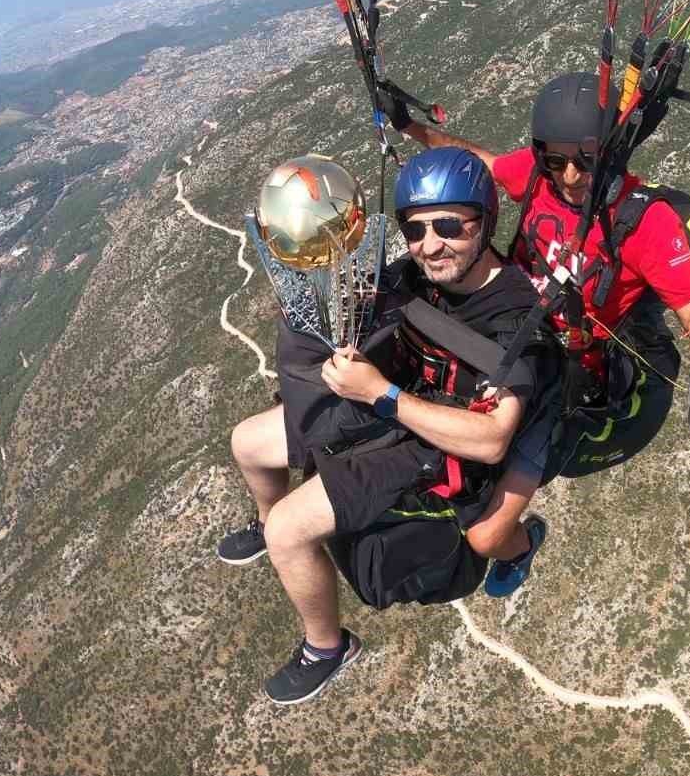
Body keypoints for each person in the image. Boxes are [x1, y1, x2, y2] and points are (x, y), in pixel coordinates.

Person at [216, 148, 557, 704]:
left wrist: (380, 393)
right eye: (415, 229)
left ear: (485, 222)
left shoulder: (514, 321)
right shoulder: (418, 276)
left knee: (289, 530)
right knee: (248, 443)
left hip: (436, 442)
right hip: (392, 405)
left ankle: (326, 646)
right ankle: (264, 520)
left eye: (450, 225)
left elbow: (493, 439)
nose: (430, 244)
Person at [385, 71, 690, 597]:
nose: (570, 175)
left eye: (585, 159)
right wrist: (410, 125)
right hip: (510, 321)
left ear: (610, 151)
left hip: (562, 372)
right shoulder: (538, 175)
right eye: (556, 160)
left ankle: (522, 547)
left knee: (486, 534)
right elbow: (476, 164)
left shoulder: (646, 224)